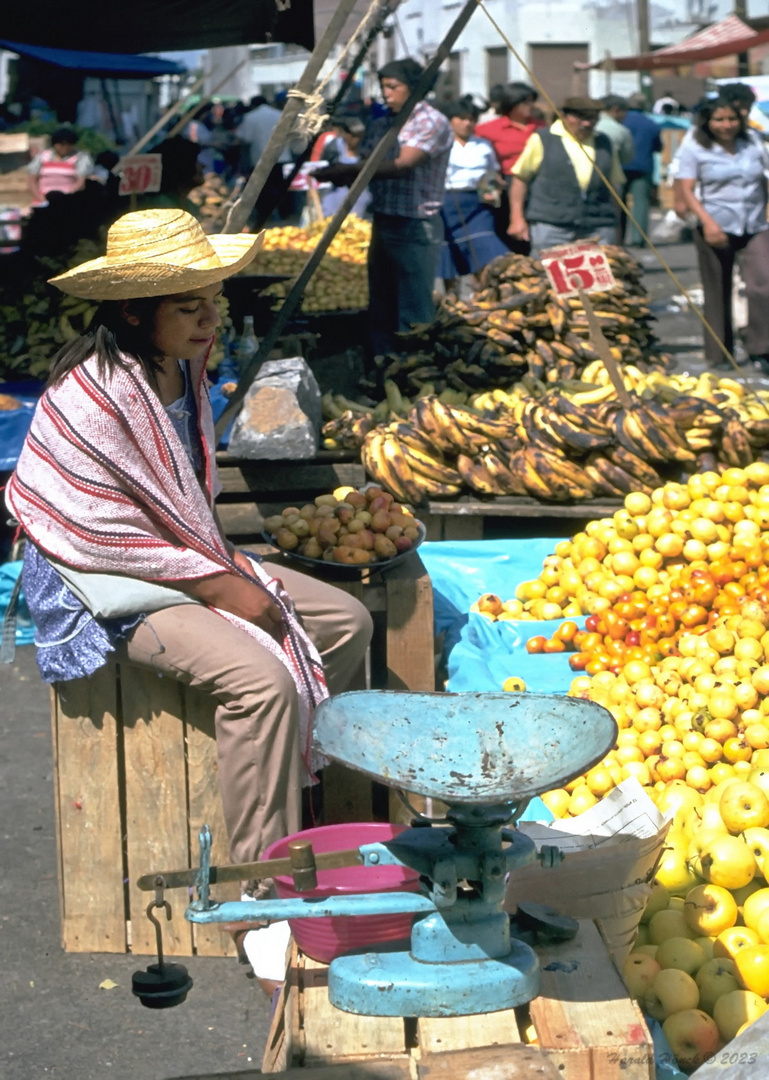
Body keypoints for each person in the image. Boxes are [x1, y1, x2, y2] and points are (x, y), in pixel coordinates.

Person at [5, 207, 373, 987]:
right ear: (133, 311)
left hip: (173, 552)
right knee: (260, 679)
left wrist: (219, 573)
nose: (211, 320)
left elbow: (176, 505)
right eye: (188, 306)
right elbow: (95, 534)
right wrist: (218, 586)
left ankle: (291, 796)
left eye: (213, 301)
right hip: (96, 581)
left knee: (345, 621)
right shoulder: (95, 393)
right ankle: (260, 901)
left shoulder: (181, 369)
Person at [317, 58, 453, 356]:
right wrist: (341, 172)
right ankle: (383, 366)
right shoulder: (382, 123)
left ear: (413, 89)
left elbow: (402, 164)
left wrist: (347, 171)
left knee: (414, 306)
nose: (386, 94)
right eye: (383, 87)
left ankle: (415, 368)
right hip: (384, 220)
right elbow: (366, 164)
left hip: (415, 224)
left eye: (393, 87)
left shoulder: (428, 121)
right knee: (382, 303)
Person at [676, 94, 769, 370]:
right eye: (719, 120)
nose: (726, 125)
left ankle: (761, 347)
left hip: (753, 223)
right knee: (718, 288)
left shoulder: (752, 141)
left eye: (731, 119)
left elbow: (764, 177)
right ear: (708, 122)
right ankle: (719, 353)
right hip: (714, 223)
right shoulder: (694, 145)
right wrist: (708, 223)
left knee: (762, 283)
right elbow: (687, 189)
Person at [509, 96, 625, 257]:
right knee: (547, 278)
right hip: (551, 225)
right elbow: (520, 179)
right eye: (581, 118)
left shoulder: (604, 143)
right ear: (564, 116)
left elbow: (614, 187)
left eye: (592, 119)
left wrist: (616, 225)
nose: (587, 123)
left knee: (597, 279)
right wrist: (517, 218)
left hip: (597, 226)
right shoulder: (542, 139)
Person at [438, 100, 508, 284]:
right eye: (461, 119)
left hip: (477, 205)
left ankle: (484, 297)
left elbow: (492, 173)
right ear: (451, 120)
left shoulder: (483, 145)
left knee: (485, 253)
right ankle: (449, 303)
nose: (467, 124)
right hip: (447, 202)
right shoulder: (439, 144)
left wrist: (493, 190)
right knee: (449, 256)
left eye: (471, 119)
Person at [476, 82, 537, 251]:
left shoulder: (540, 128)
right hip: (504, 182)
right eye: (525, 102)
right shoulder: (489, 129)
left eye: (532, 101)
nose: (530, 106)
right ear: (512, 103)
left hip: (535, 183)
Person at [620, 92, 663, 247]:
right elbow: (658, 147)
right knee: (641, 203)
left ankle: (620, 237)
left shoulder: (621, 121)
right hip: (643, 166)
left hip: (621, 167)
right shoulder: (651, 124)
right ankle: (639, 238)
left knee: (619, 202)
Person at [28, 126, 94, 202]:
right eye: (62, 144)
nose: (65, 147)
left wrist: (67, 196)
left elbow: (81, 182)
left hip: (69, 198)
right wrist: (40, 198)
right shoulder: (43, 157)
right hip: (43, 198)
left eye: (69, 144)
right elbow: (32, 181)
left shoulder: (80, 157)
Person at [596, 95, 635, 167]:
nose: (625, 116)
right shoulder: (622, 131)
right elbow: (627, 159)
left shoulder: (588, 124)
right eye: (625, 112)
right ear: (616, 110)